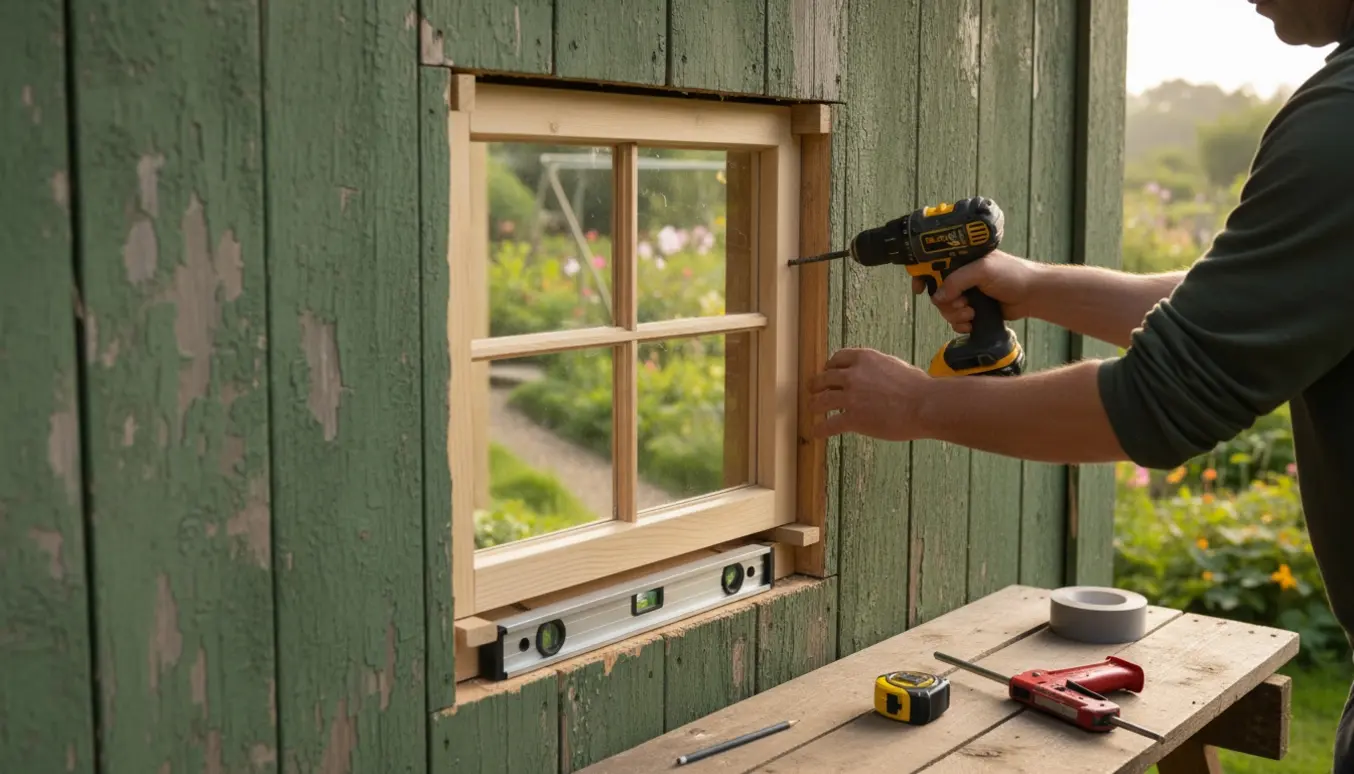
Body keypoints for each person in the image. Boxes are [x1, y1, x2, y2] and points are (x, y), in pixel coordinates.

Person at [806, 0, 1354, 768]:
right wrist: (1032, 286)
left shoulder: (1343, 125)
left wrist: (918, 403)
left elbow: (1161, 401)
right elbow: (1235, 307)